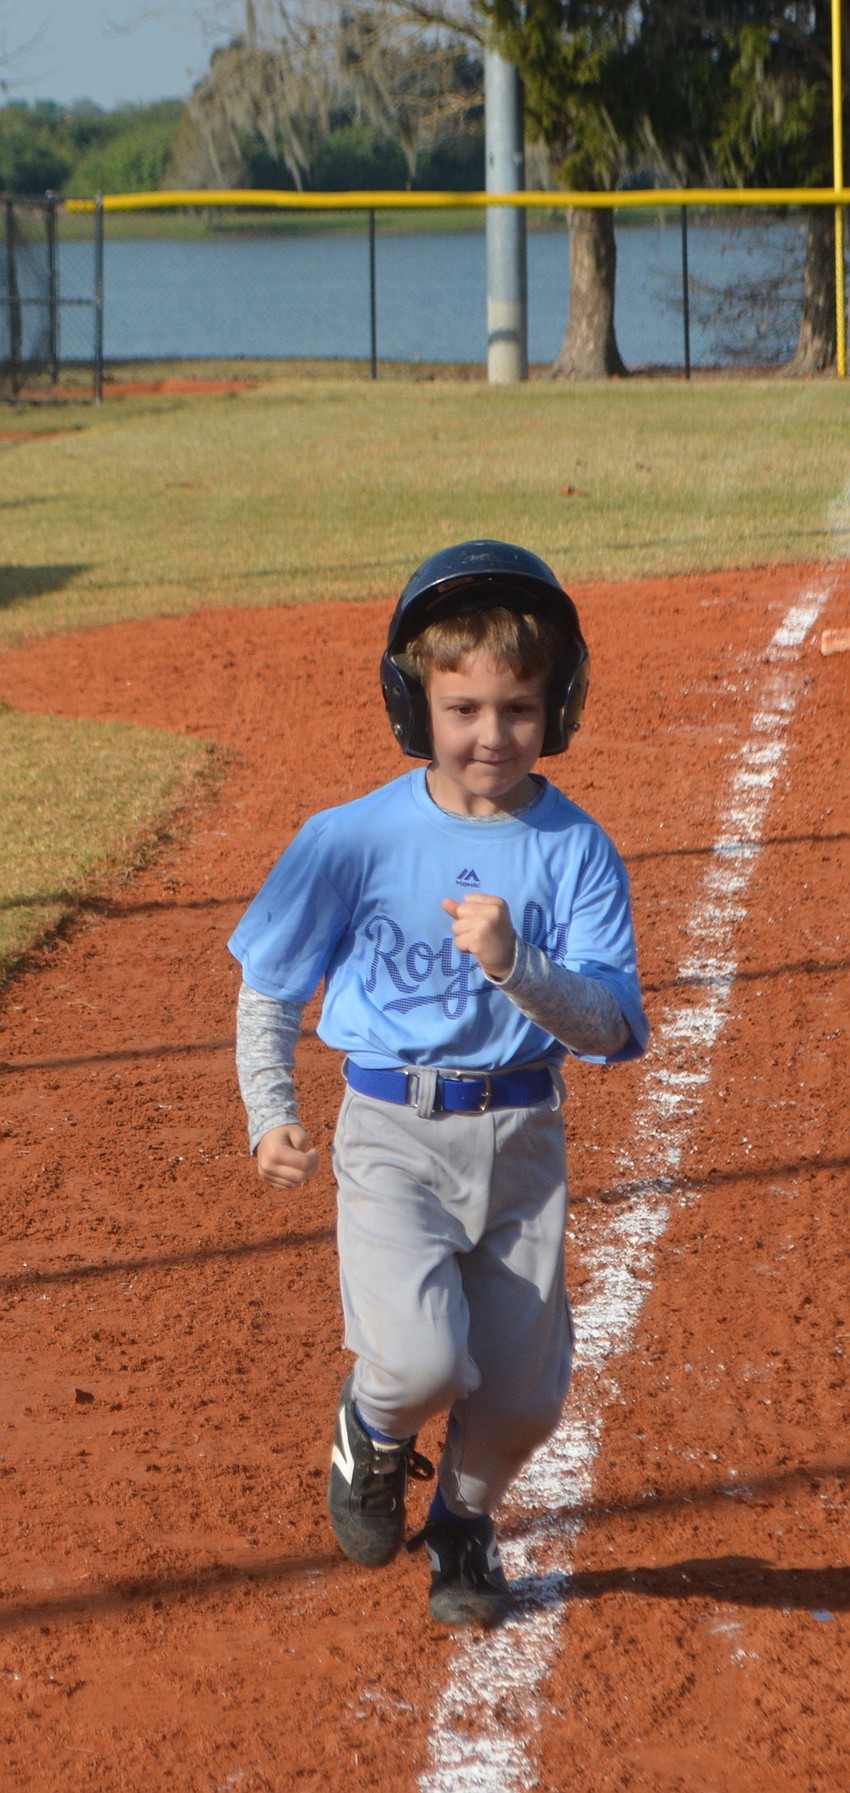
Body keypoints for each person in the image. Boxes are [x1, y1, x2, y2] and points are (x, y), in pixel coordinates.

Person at [228, 539, 649, 1629]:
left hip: (521, 1139)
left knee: (519, 1399)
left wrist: (518, 964)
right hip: (392, 1129)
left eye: (519, 706)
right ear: (412, 705)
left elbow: (609, 1027)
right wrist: (271, 1109)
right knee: (417, 1362)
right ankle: (372, 1428)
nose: (491, 734)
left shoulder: (576, 850)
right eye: (461, 707)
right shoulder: (351, 836)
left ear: (560, 705)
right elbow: (269, 988)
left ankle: (462, 1523)